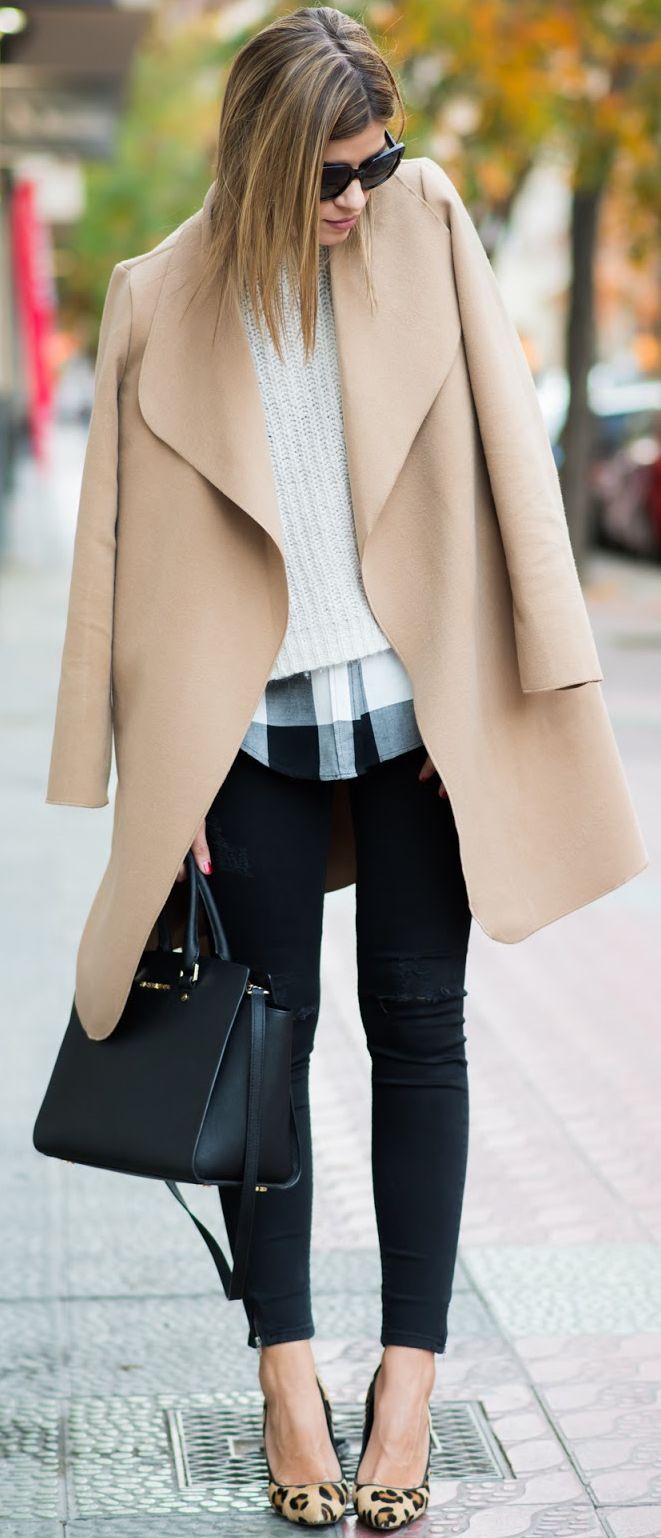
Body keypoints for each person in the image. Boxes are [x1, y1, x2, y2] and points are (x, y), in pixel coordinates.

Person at [44, 5, 648, 1530]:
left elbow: (511, 445)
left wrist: (523, 684)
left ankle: (408, 1385)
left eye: (378, 162)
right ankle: (286, 1378)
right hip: (241, 735)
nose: (358, 195)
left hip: (413, 722)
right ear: (255, 160)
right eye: (331, 172)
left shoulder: (420, 224)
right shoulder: (151, 299)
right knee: (266, 1057)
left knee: (421, 1031)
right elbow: (113, 559)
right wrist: (133, 782)